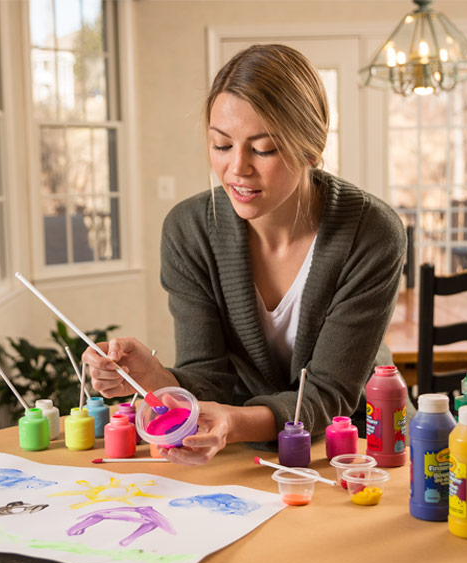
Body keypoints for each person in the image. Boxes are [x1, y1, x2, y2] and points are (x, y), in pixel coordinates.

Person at [83, 44, 406, 465]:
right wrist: (154, 378)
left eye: (264, 148)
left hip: (357, 449)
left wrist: (235, 423)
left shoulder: (371, 233)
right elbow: (208, 379)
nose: (238, 168)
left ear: (311, 147)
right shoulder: (189, 230)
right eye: (221, 145)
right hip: (242, 450)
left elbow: (330, 393)